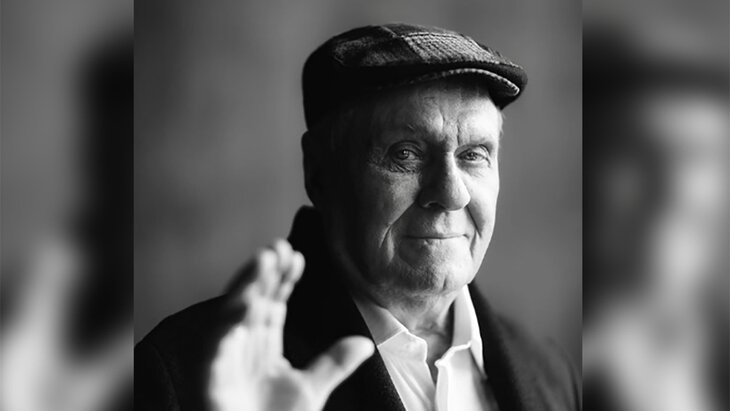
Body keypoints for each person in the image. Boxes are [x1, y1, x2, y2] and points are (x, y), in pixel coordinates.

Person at [135, 23, 580, 411]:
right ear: (319, 172)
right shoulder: (179, 375)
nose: (450, 194)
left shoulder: (550, 372)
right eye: (406, 154)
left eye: (474, 155)